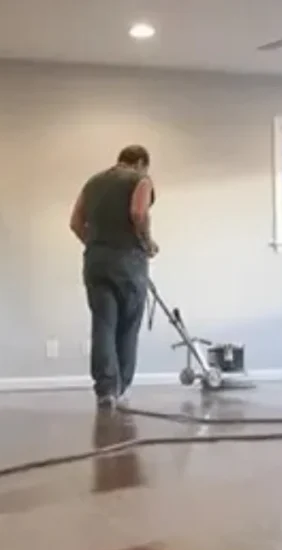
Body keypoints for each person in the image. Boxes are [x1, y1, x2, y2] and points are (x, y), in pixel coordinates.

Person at [70, 145, 158, 408]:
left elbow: (75, 222)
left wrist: (96, 244)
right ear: (141, 163)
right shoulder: (141, 180)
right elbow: (138, 213)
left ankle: (105, 390)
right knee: (128, 326)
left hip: (96, 262)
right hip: (128, 262)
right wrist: (147, 242)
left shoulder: (92, 183)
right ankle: (122, 388)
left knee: (103, 325)